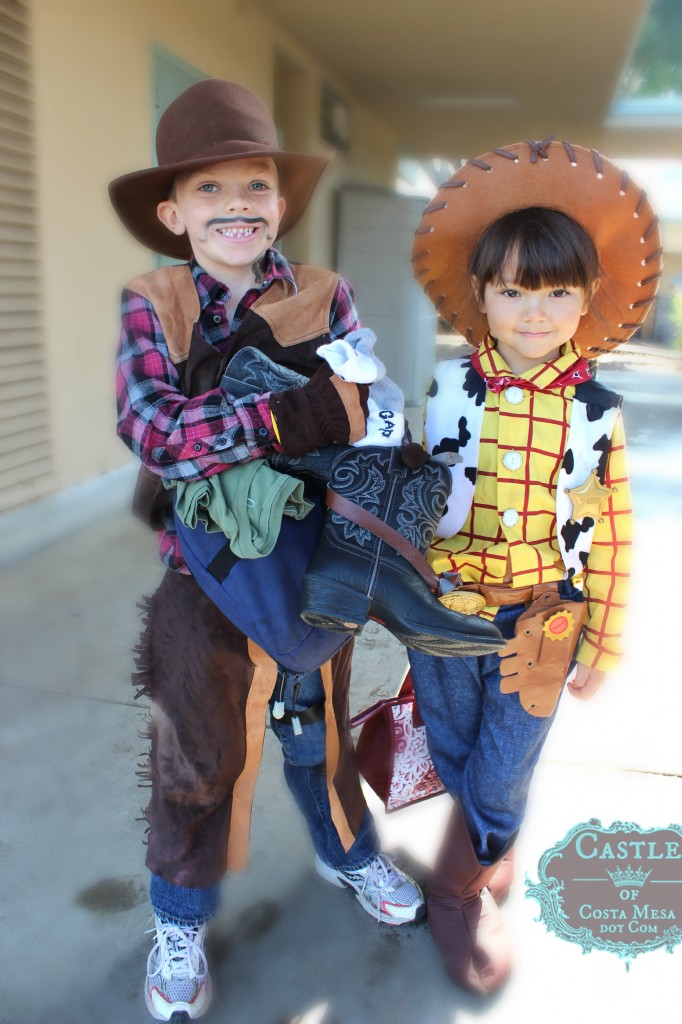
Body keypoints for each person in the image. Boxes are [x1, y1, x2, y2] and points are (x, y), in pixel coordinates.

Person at [110, 79, 433, 1022]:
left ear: (280, 204)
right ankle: (178, 917)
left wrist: (366, 422)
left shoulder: (329, 294)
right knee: (198, 752)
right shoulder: (156, 301)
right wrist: (289, 413)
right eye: (209, 191)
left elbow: (365, 405)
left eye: (254, 186)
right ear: (174, 213)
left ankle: (349, 856)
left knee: (319, 733)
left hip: (314, 555)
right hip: (202, 569)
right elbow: (156, 432)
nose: (236, 207)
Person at [409, 139, 662, 995]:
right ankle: (485, 847)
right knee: (454, 748)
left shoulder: (596, 411)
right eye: (514, 290)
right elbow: (413, 490)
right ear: (480, 293)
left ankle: (457, 890)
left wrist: (601, 640)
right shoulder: (444, 390)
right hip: (443, 612)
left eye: (557, 291)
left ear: (587, 298)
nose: (535, 311)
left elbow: (615, 528)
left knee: (507, 760)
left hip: (541, 618)